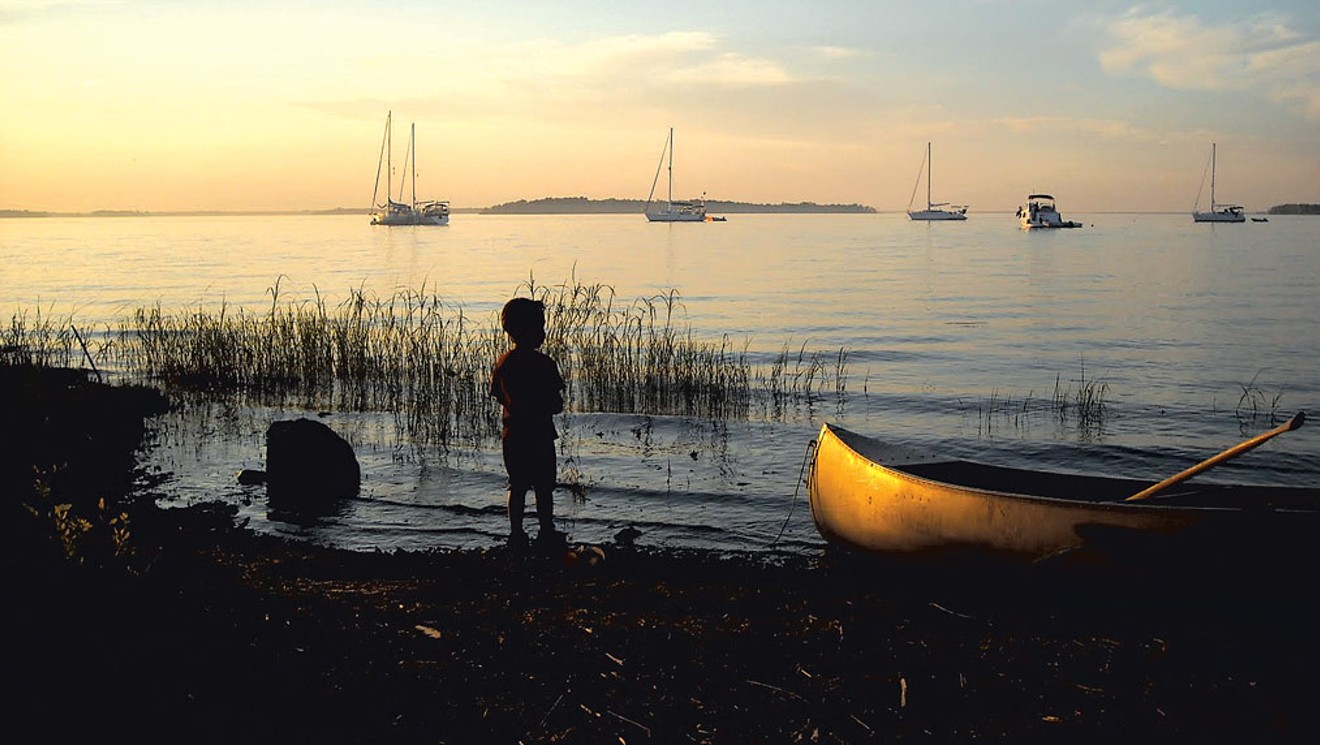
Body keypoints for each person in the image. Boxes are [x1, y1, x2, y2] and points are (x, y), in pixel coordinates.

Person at [489, 297, 566, 552]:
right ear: (532, 331)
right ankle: (546, 531)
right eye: (541, 327)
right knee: (544, 486)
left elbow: (498, 395)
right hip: (540, 434)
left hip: (513, 434)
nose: (544, 333)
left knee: (517, 484)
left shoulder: (503, 363)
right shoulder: (545, 364)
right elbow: (556, 403)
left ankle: (516, 533)